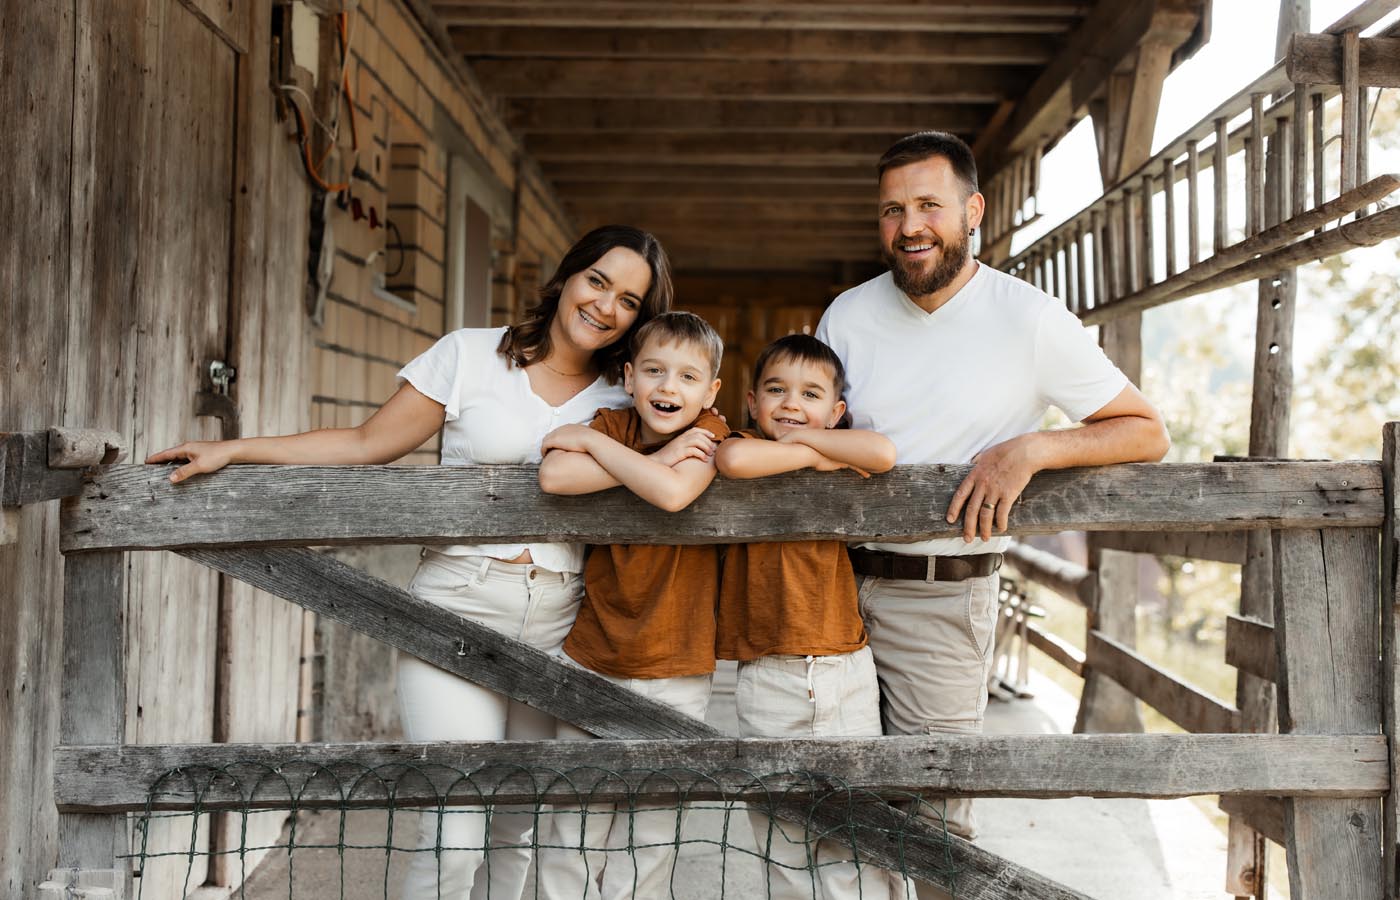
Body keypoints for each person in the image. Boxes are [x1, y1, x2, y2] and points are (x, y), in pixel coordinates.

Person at [146, 225, 674, 900]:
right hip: (455, 609)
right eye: (598, 281)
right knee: (456, 831)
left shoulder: (629, 395)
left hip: (563, 623)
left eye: (629, 300)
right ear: (568, 277)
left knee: (520, 829)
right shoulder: (472, 355)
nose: (606, 305)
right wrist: (236, 450)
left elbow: (693, 444)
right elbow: (367, 443)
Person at [815, 132, 1170, 891]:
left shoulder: (1029, 317)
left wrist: (1032, 449)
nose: (910, 225)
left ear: (972, 210)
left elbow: (1145, 430)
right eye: (892, 209)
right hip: (827, 588)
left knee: (936, 822)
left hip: (945, 595)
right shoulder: (844, 315)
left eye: (929, 206)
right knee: (832, 803)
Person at [533, 311, 729, 899]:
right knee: (571, 826)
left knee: (649, 837)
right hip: (593, 654)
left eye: (688, 377)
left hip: (677, 666)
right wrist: (608, 443)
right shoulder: (611, 425)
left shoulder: (711, 432)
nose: (669, 388)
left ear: (711, 390)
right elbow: (555, 476)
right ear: (628, 376)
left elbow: (672, 494)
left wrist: (613, 454)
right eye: (654, 371)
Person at [714, 333, 896, 900]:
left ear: (837, 412)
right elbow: (734, 459)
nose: (792, 404)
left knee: (854, 832)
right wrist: (815, 451)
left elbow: (885, 454)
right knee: (782, 836)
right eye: (776, 390)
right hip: (767, 675)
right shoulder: (746, 444)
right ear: (751, 401)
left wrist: (821, 446)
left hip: (845, 670)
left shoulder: (844, 451)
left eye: (811, 394)